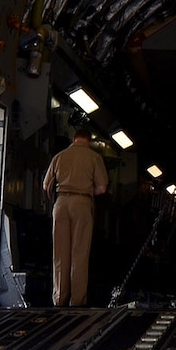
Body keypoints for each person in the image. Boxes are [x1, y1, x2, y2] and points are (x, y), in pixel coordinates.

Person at [42, 128, 109, 306]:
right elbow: (102, 188)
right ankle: (77, 301)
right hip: (82, 204)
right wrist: (87, 192)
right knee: (79, 253)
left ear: (74, 139)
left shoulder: (59, 156)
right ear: (89, 141)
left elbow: (46, 185)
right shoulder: (94, 157)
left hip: (61, 204)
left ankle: (59, 298)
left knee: (60, 254)